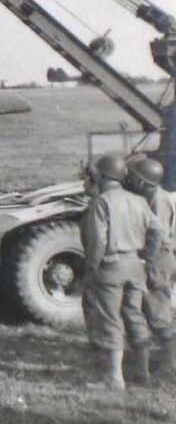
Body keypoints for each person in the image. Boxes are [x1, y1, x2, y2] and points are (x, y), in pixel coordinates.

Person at [80, 153, 162, 389]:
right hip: (135, 266)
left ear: (101, 176)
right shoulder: (139, 201)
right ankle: (143, 373)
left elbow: (97, 241)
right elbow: (157, 230)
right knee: (134, 315)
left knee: (110, 319)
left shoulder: (101, 202)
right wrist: (146, 255)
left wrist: (92, 269)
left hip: (110, 267)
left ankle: (114, 378)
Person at [126, 156, 176, 377]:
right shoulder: (153, 195)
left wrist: (145, 258)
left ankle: (169, 361)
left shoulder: (157, 199)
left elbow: (159, 233)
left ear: (143, 181)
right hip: (159, 256)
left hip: (158, 257)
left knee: (157, 307)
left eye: (134, 176)